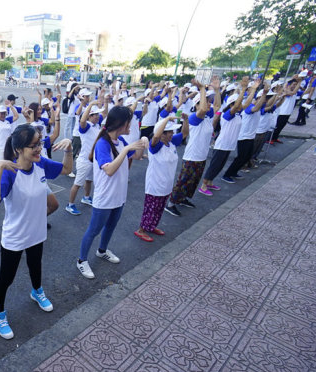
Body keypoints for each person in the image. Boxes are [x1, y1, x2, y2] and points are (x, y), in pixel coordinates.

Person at [0, 125, 73, 339]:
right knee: (6, 278)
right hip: (15, 236)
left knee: (36, 265)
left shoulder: (41, 164)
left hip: (36, 231)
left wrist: (69, 150)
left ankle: (37, 291)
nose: (39, 149)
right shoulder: (10, 173)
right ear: (18, 149)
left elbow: (65, 169)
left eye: (40, 143)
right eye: (34, 145)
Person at [77, 106, 145, 279]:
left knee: (111, 227)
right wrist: (124, 150)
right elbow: (109, 170)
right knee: (93, 230)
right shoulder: (103, 144)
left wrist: (142, 142)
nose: (132, 124)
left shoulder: (121, 141)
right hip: (105, 198)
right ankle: (81, 260)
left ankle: (102, 251)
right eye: (129, 122)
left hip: (119, 196)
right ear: (121, 124)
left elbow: (136, 156)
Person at [166, 79, 220, 213]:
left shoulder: (207, 117)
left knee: (193, 181)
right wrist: (202, 89)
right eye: (207, 101)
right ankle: (171, 203)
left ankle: (183, 198)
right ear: (197, 105)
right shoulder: (194, 118)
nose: (209, 103)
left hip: (201, 156)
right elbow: (202, 109)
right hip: (192, 156)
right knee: (184, 180)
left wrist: (217, 91)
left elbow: (218, 106)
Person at [134, 114, 189, 242]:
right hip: (155, 183)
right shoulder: (156, 146)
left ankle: (152, 226)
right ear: (162, 134)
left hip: (167, 183)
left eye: (172, 131)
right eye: (169, 132)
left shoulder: (172, 142)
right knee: (151, 207)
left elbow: (185, 133)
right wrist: (165, 120)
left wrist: (185, 120)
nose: (172, 134)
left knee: (159, 208)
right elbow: (156, 136)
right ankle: (141, 229)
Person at [200, 77, 255, 192]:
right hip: (222, 144)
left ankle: (210, 182)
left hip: (229, 145)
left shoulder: (238, 114)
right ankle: (204, 185)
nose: (241, 106)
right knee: (214, 166)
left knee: (220, 166)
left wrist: (253, 90)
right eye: (238, 104)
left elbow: (246, 104)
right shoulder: (227, 115)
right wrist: (244, 88)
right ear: (231, 105)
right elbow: (236, 106)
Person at [222, 81, 267, 183]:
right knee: (240, 157)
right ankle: (227, 174)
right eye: (263, 99)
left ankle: (233, 172)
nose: (264, 101)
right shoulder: (249, 108)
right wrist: (258, 92)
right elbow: (255, 106)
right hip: (243, 136)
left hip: (250, 136)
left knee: (246, 157)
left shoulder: (254, 107)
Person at [65, 100, 106, 215]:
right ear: (89, 116)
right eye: (95, 115)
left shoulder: (96, 125)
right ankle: (70, 204)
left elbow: (105, 113)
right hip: (84, 161)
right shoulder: (85, 127)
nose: (98, 116)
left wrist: (105, 101)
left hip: (93, 160)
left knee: (89, 180)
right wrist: (91, 105)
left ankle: (86, 197)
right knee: (77, 184)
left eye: (98, 115)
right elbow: (82, 120)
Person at [270, 76, 302, 144]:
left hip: (288, 112)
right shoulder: (285, 91)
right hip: (282, 112)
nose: (295, 86)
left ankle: (275, 138)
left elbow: (296, 91)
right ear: (289, 85)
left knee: (282, 126)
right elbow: (292, 92)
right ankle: (271, 139)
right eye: (293, 84)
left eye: (296, 85)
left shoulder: (294, 92)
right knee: (277, 126)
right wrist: (299, 82)